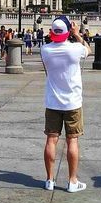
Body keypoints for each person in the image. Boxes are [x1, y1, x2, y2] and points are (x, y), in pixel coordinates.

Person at [38, 16, 87, 193]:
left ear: (51, 32)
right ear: (68, 31)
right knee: (72, 140)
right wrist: (77, 34)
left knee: (51, 139)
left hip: (52, 101)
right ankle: (72, 181)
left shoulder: (45, 50)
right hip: (72, 102)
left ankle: (49, 180)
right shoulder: (75, 49)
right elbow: (89, 50)